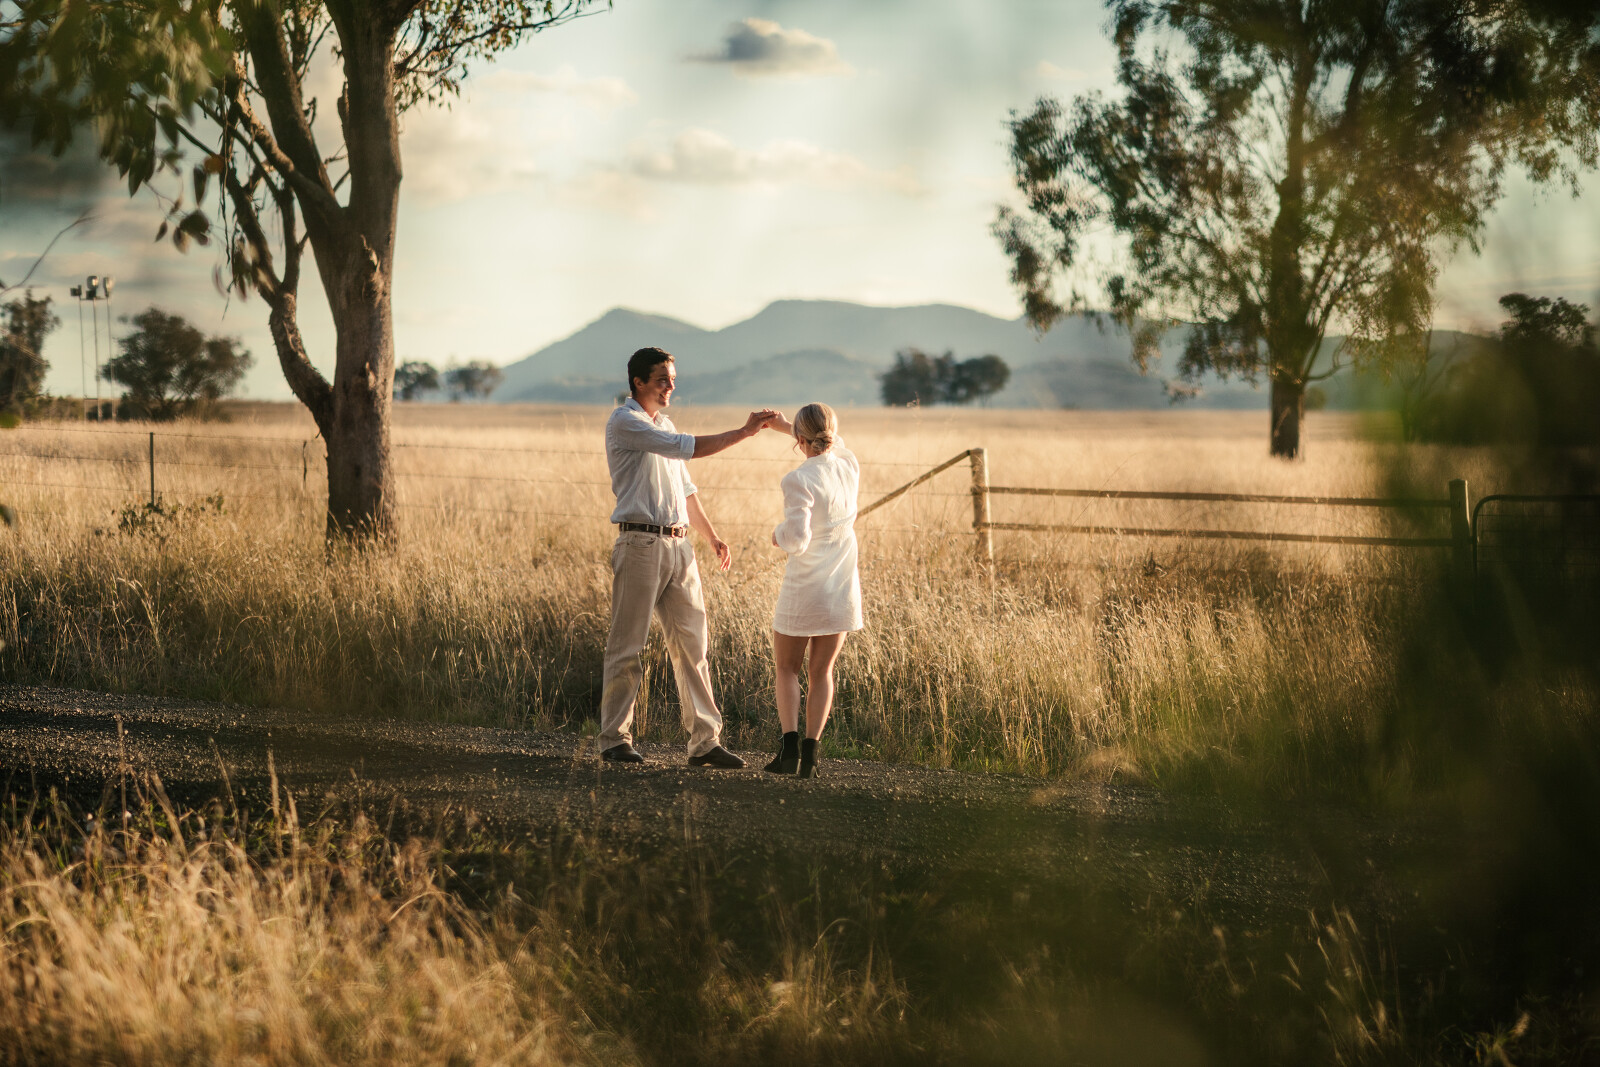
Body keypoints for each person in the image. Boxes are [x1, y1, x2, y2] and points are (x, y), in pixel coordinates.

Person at [598, 346, 775, 768]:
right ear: (638, 382)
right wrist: (744, 432)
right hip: (640, 544)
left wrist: (712, 537)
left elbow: (686, 490)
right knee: (628, 646)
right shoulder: (625, 422)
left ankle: (705, 743)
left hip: (680, 547)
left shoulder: (665, 424)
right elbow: (686, 448)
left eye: (672, 379)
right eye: (662, 379)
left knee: (693, 646)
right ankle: (614, 740)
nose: (670, 386)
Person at [761, 403, 863, 779]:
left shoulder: (798, 479)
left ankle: (788, 751)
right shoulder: (848, 465)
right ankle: (811, 757)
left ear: (799, 441)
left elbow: (797, 539)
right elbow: (838, 444)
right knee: (822, 672)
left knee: (787, 668)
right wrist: (789, 426)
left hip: (804, 589)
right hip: (841, 588)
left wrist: (777, 534)